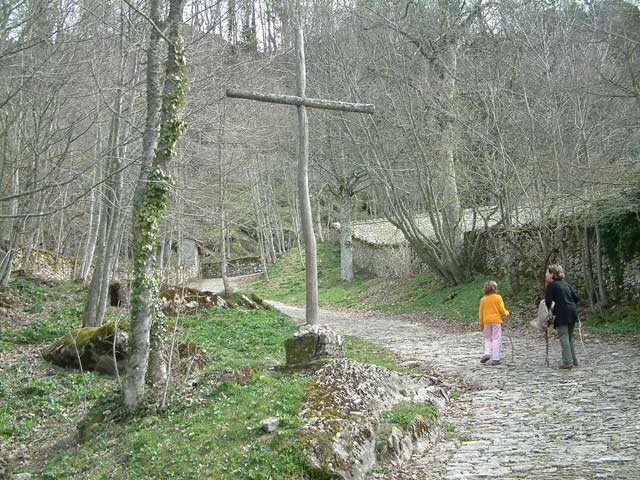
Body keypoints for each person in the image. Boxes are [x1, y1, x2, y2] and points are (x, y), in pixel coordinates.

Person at [545, 264, 579, 369]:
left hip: (562, 313)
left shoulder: (551, 286)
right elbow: (576, 298)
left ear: (551, 274)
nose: (546, 275)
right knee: (569, 336)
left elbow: (548, 302)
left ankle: (567, 361)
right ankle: (573, 360)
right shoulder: (566, 284)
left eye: (547, 273)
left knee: (563, 336)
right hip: (572, 311)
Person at [479, 281, 510, 366]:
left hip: (486, 321)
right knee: (496, 338)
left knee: (487, 338)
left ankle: (487, 353)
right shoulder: (498, 297)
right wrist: (506, 313)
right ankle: (495, 358)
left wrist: (481, 324)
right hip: (496, 321)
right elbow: (501, 309)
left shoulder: (483, 299)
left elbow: (480, 313)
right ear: (495, 288)